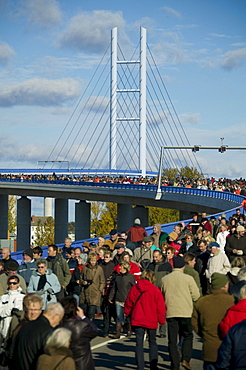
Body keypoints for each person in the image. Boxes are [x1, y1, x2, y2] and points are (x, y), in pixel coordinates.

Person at [161, 255, 200, 370]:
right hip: (186, 311)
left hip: (171, 312)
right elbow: (196, 295)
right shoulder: (188, 278)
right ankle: (185, 359)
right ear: (183, 266)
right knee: (188, 335)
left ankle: (175, 365)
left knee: (172, 341)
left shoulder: (165, 279)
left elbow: (161, 295)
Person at [124, 270, 166, 370]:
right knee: (152, 342)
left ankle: (140, 366)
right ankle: (153, 365)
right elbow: (160, 307)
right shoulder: (155, 290)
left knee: (139, 343)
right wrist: (162, 320)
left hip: (138, 318)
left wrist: (128, 315)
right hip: (151, 319)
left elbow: (128, 303)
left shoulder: (135, 288)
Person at [192, 273, 234, 369]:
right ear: (224, 285)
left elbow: (194, 323)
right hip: (228, 348)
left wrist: (204, 334)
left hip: (209, 347)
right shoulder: (233, 301)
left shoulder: (201, 302)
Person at [11, 302, 64, 370]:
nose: (58, 323)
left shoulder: (25, 326)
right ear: (55, 316)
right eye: (59, 319)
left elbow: (12, 351)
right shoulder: (48, 332)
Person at [60, 296, 98, 370]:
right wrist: (83, 317)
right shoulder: (82, 326)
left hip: (65, 364)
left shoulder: (58, 326)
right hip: (82, 364)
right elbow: (95, 330)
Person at [108, 261, 136, 338]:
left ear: (125, 268)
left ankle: (129, 330)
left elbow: (134, 288)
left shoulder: (130, 277)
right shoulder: (118, 277)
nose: (119, 268)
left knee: (128, 317)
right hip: (118, 299)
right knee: (118, 316)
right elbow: (114, 288)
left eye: (121, 267)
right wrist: (111, 297)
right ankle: (118, 333)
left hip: (128, 300)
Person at [80, 251, 105, 321]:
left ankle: (91, 326)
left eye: (94, 260)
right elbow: (81, 278)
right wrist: (83, 282)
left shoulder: (99, 269)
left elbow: (102, 281)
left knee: (91, 312)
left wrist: (99, 290)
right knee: (86, 312)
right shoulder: (85, 268)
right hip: (86, 292)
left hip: (95, 292)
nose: (93, 262)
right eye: (91, 260)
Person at [0, 276, 24, 343]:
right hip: (4, 327)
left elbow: (20, 311)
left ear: (18, 284)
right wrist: (10, 311)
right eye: (10, 283)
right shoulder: (3, 297)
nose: (12, 285)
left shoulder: (23, 296)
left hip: (16, 325)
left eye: (14, 283)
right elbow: (1, 312)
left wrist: (13, 311)